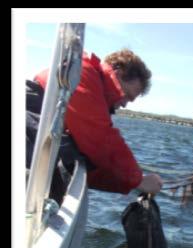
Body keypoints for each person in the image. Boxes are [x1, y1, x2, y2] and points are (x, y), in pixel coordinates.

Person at [26, 48, 163, 199]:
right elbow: (100, 140)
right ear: (117, 75)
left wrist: (130, 183)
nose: (124, 104)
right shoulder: (82, 74)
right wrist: (138, 180)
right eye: (127, 96)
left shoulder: (89, 84)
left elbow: (97, 160)